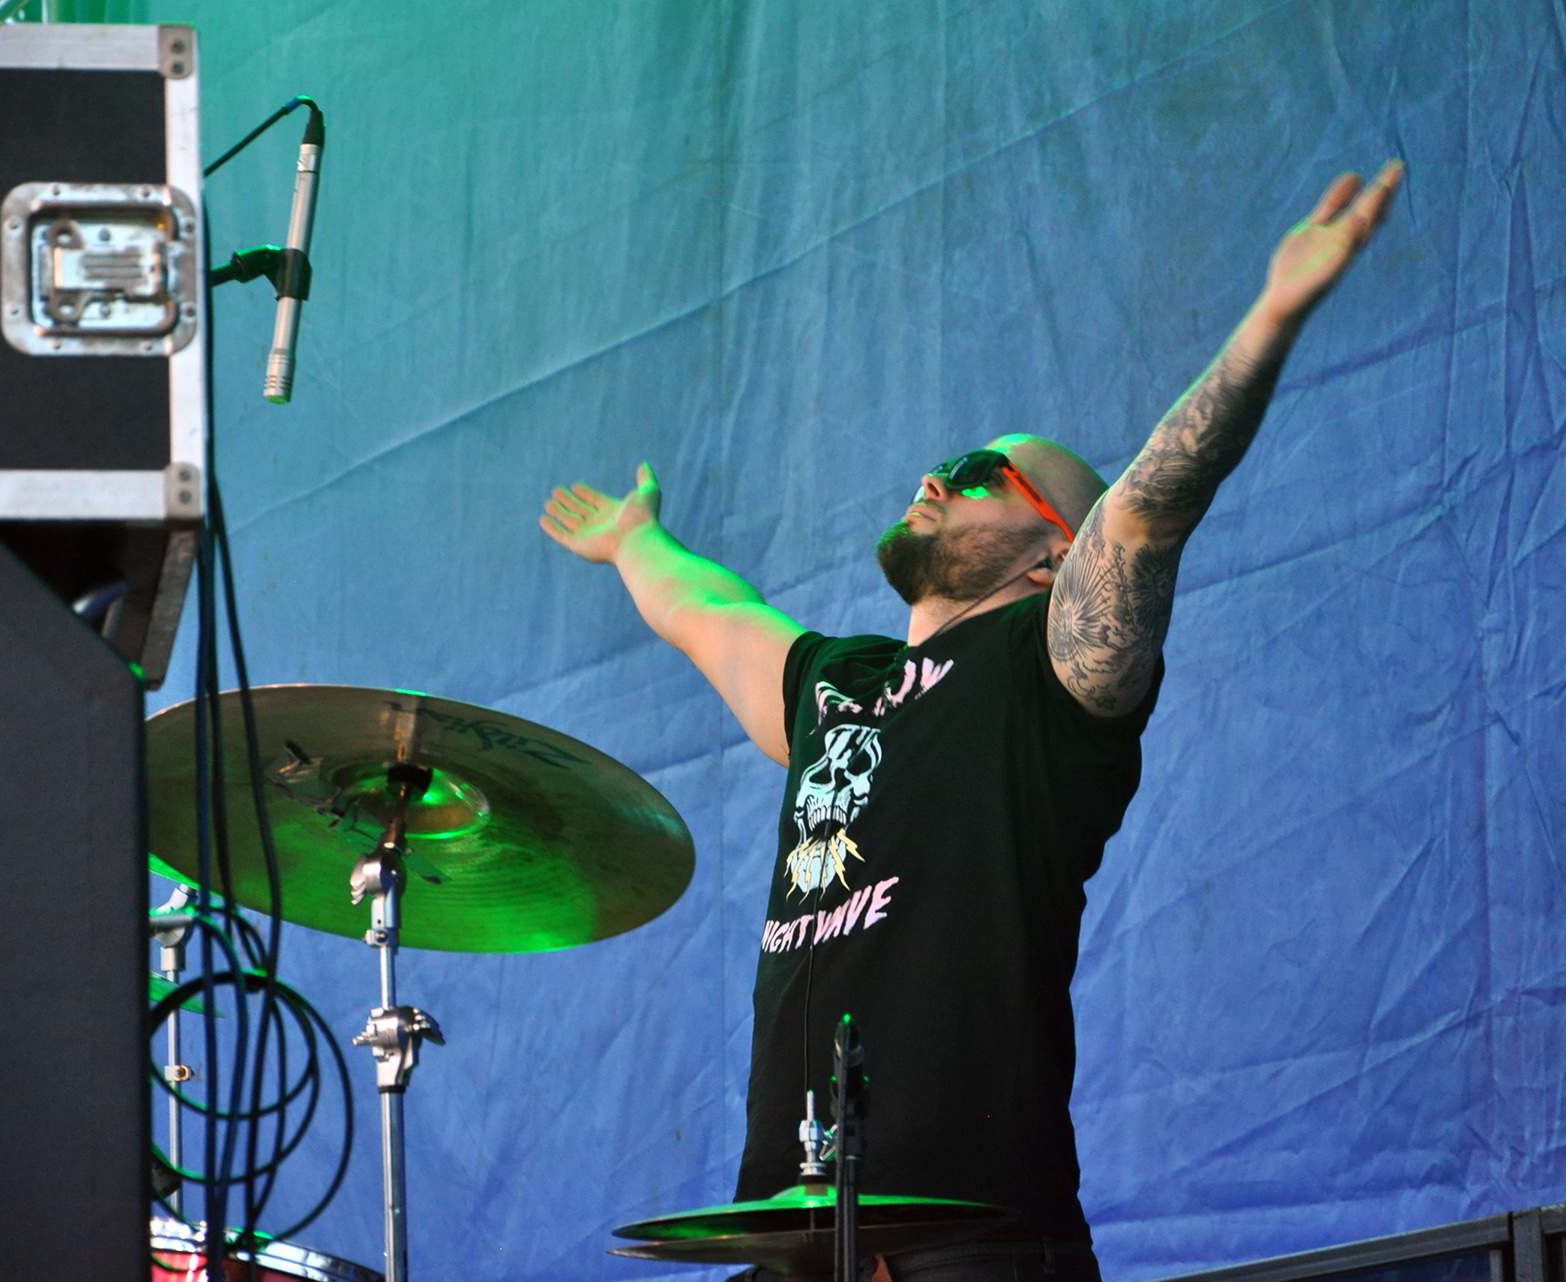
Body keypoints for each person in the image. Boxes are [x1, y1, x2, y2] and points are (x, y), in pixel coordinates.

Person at [542, 160, 1404, 1282]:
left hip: (969, 1240)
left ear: (1056, 551)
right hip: (796, 1239)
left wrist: (1268, 322)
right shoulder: (836, 684)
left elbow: (1146, 514)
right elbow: (711, 613)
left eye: (980, 472)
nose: (937, 477)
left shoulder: (1046, 675)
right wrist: (635, 541)